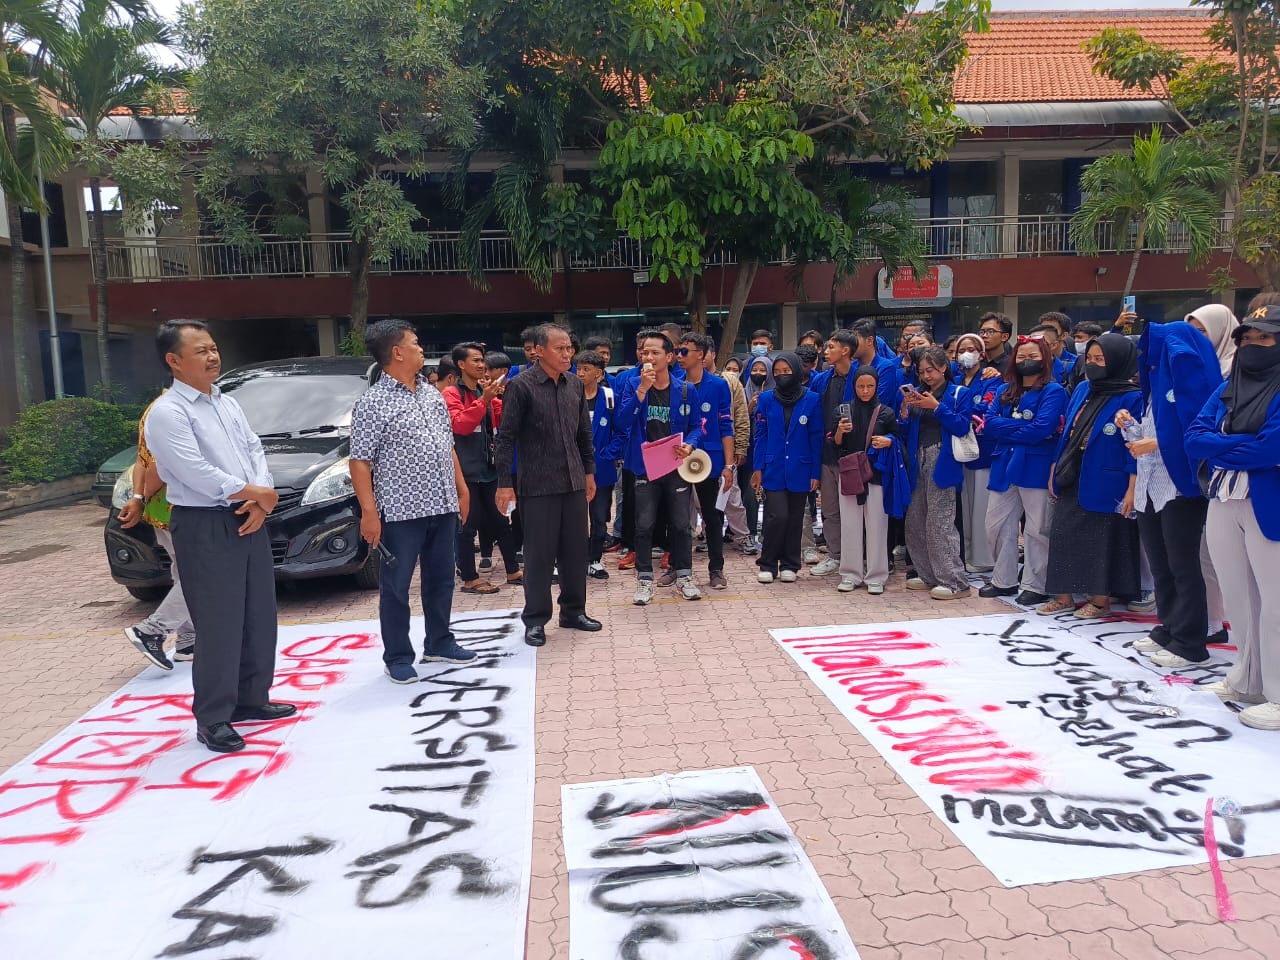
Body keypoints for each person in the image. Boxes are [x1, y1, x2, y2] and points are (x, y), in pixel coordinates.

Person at [144, 320, 293, 754]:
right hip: (204, 522)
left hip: (248, 515)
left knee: (257, 614)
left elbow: (254, 449)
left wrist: (261, 497)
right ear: (174, 361)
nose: (213, 356)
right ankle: (212, 717)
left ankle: (251, 698)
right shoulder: (169, 412)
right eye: (201, 350)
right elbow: (193, 471)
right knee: (218, 623)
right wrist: (255, 493)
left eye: (213, 347)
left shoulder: (226, 403)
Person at [351, 320, 475, 684]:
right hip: (401, 511)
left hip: (442, 503)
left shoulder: (431, 393)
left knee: (441, 580)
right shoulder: (372, 403)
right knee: (396, 586)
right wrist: (369, 513)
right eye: (416, 342)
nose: (422, 349)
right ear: (397, 352)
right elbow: (359, 460)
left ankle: (439, 642)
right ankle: (399, 656)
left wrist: (461, 489)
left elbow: (446, 445)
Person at [1186, 305, 1280, 729]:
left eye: (1264, 339)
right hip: (1225, 496)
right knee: (1238, 595)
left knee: (1275, 601)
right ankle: (1247, 678)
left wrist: (1222, 444)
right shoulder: (1229, 384)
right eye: (1245, 339)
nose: (1251, 346)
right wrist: (1239, 441)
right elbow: (1193, 437)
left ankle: (1278, 695)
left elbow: (1272, 448)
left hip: (1267, 499)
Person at [1120, 319, 1223, 668]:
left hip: (1179, 487)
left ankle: (1190, 640)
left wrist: (1157, 442)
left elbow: (1197, 434)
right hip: (1152, 485)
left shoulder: (1192, 384)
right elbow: (1146, 439)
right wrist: (1130, 428)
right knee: (1161, 565)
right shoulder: (1153, 391)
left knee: (1183, 566)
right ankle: (1169, 627)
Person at [495, 323, 600, 645]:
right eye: (560, 348)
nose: (567, 354)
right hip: (537, 484)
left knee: (575, 551)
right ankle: (536, 619)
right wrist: (503, 483)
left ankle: (573, 610)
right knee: (539, 556)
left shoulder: (574, 385)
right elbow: (506, 437)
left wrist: (589, 472)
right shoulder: (521, 386)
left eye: (569, 348)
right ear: (538, 351)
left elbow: (583, 433)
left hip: (573, 481)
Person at [1040, 334, 1143, 618]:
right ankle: (1062, 596)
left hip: (1108, 476)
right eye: (1090, 359)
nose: (1093, 365)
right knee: (1062, 534)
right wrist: (1054, 466)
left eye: (1100, 360)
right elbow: (1068, 431)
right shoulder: (1085, 388)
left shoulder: (1132, 397)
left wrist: (1131, 486)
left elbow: (1134, 446)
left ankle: (1100, 601)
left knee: (1101, 541)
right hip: (1072, 468)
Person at [616, 332, 705, 604]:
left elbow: (698, 427)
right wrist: (642, 390)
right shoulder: (632, 385)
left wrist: (689, 445)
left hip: (675, 467)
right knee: (643, 525)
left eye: (655, 353)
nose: (649, 357)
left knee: (680, 524)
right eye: (644, 352)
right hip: (644, 467)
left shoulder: (686, 389)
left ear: (669, 357)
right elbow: (622, 422)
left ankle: (685, 576)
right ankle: (645, 579)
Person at [977, 336, 1066, 606]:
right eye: (1022, 356)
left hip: (1036, 465)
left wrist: (1008, 430)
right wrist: (1017, 431)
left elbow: (1043, 428)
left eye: (1033, 357)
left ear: (1045, 360)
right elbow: (989, 424)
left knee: (1038, 529)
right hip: (1004, 463)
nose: (1027, 361)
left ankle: (1035, 584)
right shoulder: (1006, 389)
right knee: (995, 524)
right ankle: (1004, 580)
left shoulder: (1054, 391)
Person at [119, 391, 197, 670]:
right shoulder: (176, 409)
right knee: (200, 576)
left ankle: (188, 640)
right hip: (178, 508)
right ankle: (152, 630)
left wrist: (139, 498)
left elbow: (140, 460)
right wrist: (140, 499)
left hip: (163, 508)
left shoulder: (155, 407)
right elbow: (159, 466)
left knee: (184, 573)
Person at [445, 342, 521, 595]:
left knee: (501, 521)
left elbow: (502, 417)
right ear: (461, 364)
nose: (481, 365)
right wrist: (484, 400)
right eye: (476, 361)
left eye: (482, 361)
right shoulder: (451, 394)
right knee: (467, 526)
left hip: (488, 469)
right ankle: (469, 578)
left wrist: (506, 398)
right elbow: (460, 425)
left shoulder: (483, 390)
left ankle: (513, 570)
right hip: (465, 473)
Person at [899, 346, 972, 599]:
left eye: (930, 370)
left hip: (942, 456)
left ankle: (954, 580)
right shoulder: (919, 393)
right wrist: (906, 411)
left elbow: (963, 426)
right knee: (916, 519)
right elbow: (906, 431)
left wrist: (937, 407)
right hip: (917, 457)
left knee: (940, 520)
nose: (926, 376)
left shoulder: (958, 394)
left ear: (943, 368)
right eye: (921, 372)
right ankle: (928, 573)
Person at [752, 352, 823, 583]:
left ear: (797, 371)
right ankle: (768, 563)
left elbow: (816, 437)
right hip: (773, 467)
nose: (782, 375)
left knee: (795, 518)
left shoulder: (812, 399)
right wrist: (758, 467)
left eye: (787, 371)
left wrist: (815, 473)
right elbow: (760, 435)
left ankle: (790, 564)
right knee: (776, 516)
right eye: (778, 372)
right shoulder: (765, 399)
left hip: (801, 468)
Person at [677, 333, 735, 591]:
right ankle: (679, 568)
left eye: (684, 351)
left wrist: (729, 465)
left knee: (712, 516)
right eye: (678, 351)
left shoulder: (719, 385)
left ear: (700, 354)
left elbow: (726, 425)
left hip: (710, 459)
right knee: (677, 517)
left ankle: (716, 568)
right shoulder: (675, 383)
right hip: (679, 457)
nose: (679, 356)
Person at [832, 366, 897, 594]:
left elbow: (897, 438)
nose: (865, 390)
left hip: (876, 474)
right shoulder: (844, 411)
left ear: (877, 386)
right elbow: (835, 443)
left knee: (877, 524)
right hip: (850, 473)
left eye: (870, 386)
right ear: (854, 386)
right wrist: (840, 430)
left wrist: (888, 441)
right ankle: (850, 573)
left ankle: (877, 575)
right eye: (860, 386)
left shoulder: (886, 412)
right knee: (849, 524)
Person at [807, 329, 861, 578]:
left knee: (855, 510)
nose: (825, 351)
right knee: (829, 509)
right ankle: (835, 555)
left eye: (830, 347)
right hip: (826, 453)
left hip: (854, 454)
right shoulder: (821, 379)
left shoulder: (861, 376)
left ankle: (858, 556)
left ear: (846, 351)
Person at [951, 331, 1000, 574]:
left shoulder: (992, 379)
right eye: (961, 350)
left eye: (970, 348)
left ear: (982, 354)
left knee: (982, 506)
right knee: (965, 506)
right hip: (959, 450)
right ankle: (967, 553)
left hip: (983, 450)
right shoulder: (956, 379)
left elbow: (986, 407)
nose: (965, 353)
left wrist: (960, 412)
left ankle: (983, 558)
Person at [576, 350, 623, 580]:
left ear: (599, 373)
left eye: (586, 369)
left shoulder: (609, 397)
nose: (581, 373)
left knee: (599, 517)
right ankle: (569, 561)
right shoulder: (569, 394)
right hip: (574, 469)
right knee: (573, 518)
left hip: (602, 468)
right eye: (579, 369)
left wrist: (608, 453)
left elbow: (621, 431)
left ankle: (594, 560)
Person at [1184, 303, 1239, 378]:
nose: (1192, 336)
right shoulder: (1192, 361)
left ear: (1220, 330)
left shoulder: (1239, 365)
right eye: (1190, 331)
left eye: (1201, 331)